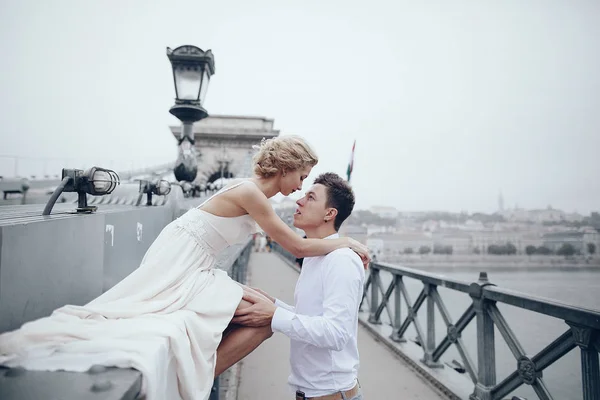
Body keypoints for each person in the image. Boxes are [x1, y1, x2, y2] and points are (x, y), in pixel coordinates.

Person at [0, 137, 370, 400]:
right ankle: (185, 387)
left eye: (307, 183)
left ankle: (189, 381)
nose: (300, 186)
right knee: (261, 317)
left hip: (191, 258)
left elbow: (291, 245)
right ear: (287, 166)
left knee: (261, 309)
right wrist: (346, 242)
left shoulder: (253, 194)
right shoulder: (252, 194)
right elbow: (296, 246)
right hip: (184, 261)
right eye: (301, 176)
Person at [234, 172, 366, 400]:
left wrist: (274, 315)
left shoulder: (341, 260)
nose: (299, 201)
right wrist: (274, 306)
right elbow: (312, 317)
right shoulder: (317, 255)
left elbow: (336, 333)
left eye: (311, 197)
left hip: (330, 394)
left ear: (329, 213)